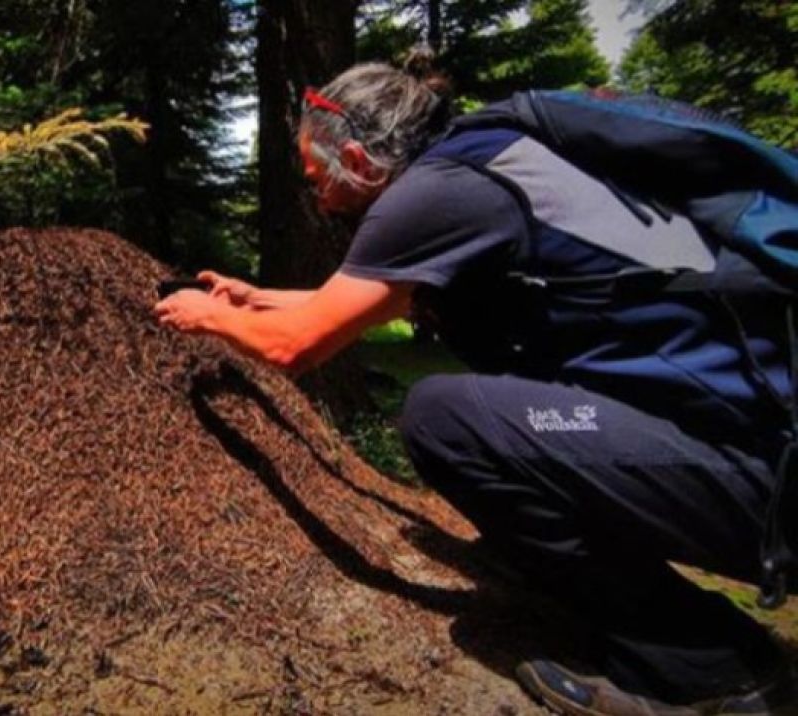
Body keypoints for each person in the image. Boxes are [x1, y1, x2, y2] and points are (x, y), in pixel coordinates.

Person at [153, 53, 798, 715]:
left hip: (763, 479)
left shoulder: (432, 197)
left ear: (358, 157)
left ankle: (711, 668)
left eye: (319, 179)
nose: (318, 198)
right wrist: (254, 299)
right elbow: (360, 302)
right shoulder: (486, 161)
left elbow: (298, 347)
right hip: (747, 441)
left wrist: (204, 317)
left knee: (443, 420)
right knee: (481, 420)